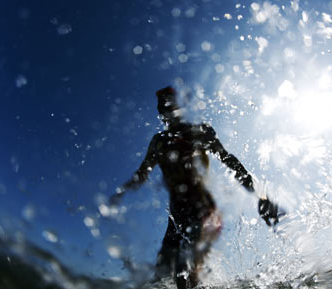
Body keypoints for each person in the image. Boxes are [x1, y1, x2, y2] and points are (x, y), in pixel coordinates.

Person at [110, 86, 279, 289]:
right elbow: (142, 173)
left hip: (203, 211)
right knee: (160, 276)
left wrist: (260, 196)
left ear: (179, 107)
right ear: (159, 112)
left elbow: (229, 161)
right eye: (162, 106)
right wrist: (121, 192)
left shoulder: (199, 132)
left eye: (170, 103)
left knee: (183, 273)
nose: (166, 109)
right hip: (176, 216)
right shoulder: (159, 142)